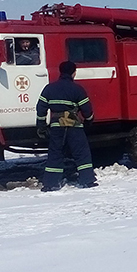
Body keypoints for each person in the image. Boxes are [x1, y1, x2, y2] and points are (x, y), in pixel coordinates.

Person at [36, 61, 96, 190]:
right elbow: (87, 109)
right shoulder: (77, 89)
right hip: (74, 125)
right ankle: (87, 180)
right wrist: (89, 120)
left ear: (60, 71)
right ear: (74, 73)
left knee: (55, 153)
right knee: (81, 152)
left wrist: (41, 125)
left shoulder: (49, 88)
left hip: (56, 125)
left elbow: (41, 108)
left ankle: (51, 184)